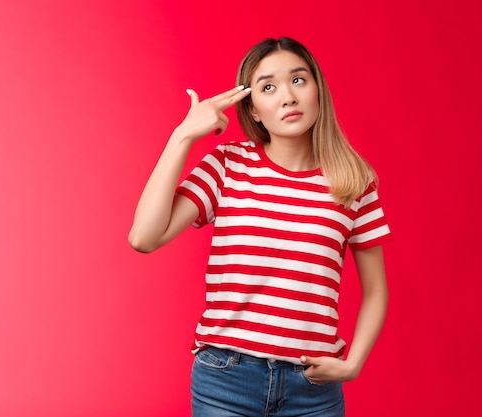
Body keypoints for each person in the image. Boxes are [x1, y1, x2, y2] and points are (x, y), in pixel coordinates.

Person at [129, 37, 392, 417]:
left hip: (313, 392)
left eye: (298, 80)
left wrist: (353, 364)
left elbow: (376, 290)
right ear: (252, 109)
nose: (288, 97)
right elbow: (144, 237)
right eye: (268, 87)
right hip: (226, 382)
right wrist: (182, 136)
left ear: (317, 88)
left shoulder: (353, 181)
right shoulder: (228, 165)